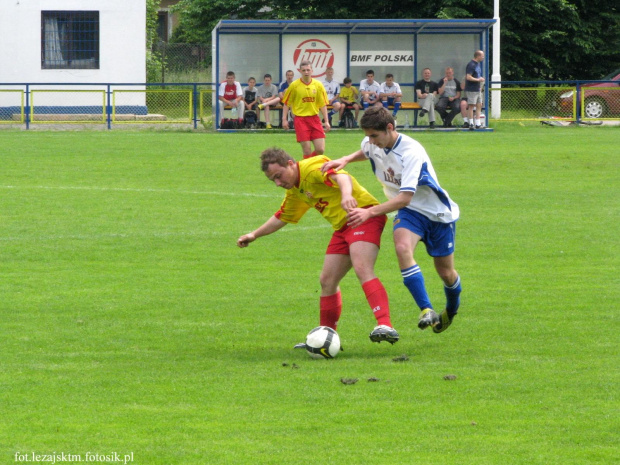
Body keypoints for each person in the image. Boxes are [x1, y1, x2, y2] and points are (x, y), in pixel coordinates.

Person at [237, 147, 400, 345]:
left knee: (362, 267)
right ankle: (325, 338)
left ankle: (385, 324)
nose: (279, 183)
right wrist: (254, 234)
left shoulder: (311, 168)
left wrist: (347, 196)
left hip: (364, 215)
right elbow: (283, 216)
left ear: (290, 164)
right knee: (327, 280)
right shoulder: (295, 190)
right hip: (342, 226)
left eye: (279, 176)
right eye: (274, 180)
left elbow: (342, 178)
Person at [322, 107, 462, 334]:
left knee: (446, 273)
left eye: (374, 136)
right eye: (367, 136)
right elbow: (366, 151)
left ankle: (452, 309)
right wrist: (346, 159)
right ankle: (426, 309)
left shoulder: (411, 152)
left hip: (437, 214)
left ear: (390, 128)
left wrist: (369, 212)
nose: (370, 141)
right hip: (409, 213)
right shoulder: (373, 142)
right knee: (402, 246)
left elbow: (405, 197)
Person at [281, 61, 330, 159]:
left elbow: (322, 104)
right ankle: (307, 171)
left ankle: (304, 165)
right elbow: (286, 103)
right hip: (300, 120)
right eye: (304, 70)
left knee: (320, 149)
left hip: (315, 119)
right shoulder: (294, 86)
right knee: (307, 150)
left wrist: (326, 121)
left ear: (312, 70)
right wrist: (284, 119)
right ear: (300, 71)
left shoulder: (318, 85)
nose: (306, 72)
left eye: (308, 70)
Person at [464, 50, 485, 130]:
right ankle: (471, 123)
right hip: (472, 89)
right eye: (482, 56)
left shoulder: (477, 65)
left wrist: (480, 80)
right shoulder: (471, 65)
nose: (483, 57)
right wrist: (478, 80)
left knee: (479, 105)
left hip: (478, 89)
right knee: (471, 106)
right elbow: (468, 77)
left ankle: (478, 123)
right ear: (478, 56)